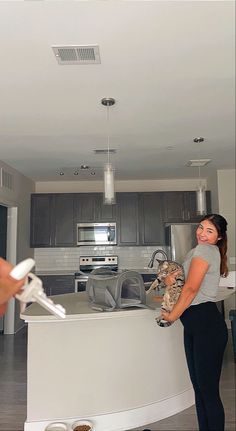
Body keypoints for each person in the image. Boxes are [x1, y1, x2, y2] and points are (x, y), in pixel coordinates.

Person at [161, 213, 229, 431]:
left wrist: (171, 317)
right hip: (195, 326)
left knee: (207, 392)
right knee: (200, 389)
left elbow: (191, 291)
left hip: (206, 326)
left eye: (210, 231)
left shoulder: (205, 250)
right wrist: (170, 280)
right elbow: (183, 284)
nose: (202, 233)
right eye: (201, 227)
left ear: (219, 237)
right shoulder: (198, 251)